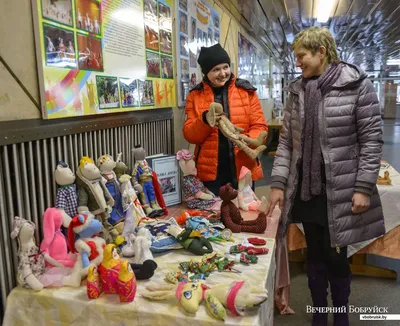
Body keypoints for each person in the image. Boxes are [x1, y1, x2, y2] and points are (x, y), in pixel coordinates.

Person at [266, 27, 385, 326]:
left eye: (302, 56)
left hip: (341, 189)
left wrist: (363, 186)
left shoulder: (357, 85)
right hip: (308, 191)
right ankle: (320, 314)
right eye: (295, 57)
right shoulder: (297, 90)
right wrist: (278, 183)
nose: (297, 63)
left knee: (335, 258)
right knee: (314, 258)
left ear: (322, 52)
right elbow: (286, 143)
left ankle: (341, 314)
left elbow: (371, 140)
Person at [183, 43, 268, 196]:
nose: (223, 73)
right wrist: (204, 120)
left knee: (245, 212)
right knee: (213, 216)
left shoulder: (247, 92)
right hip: (210, 171)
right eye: (216, 69)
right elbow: (190, 135)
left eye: (225, 67)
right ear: (205, 73)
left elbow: (259, 125)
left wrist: (247, 139)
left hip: (243, 166)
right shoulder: (195, 96)